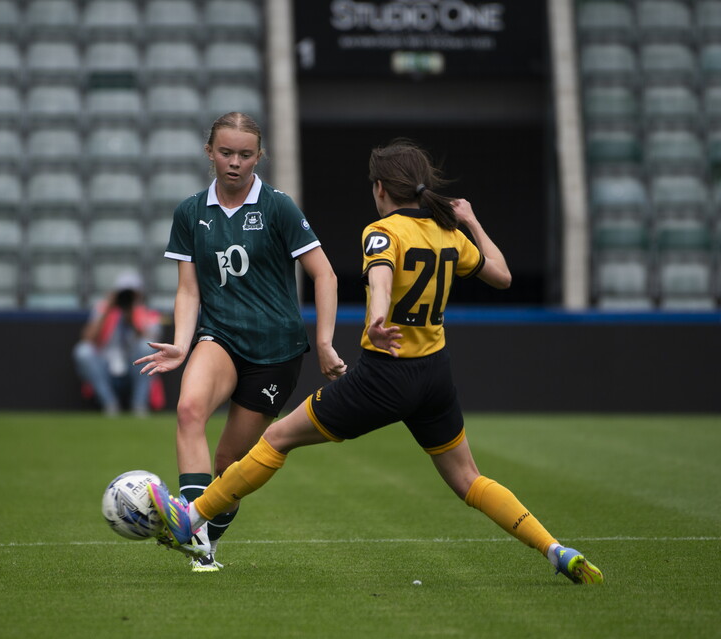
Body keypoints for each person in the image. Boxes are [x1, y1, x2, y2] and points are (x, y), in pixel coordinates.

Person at [147, 138, 604, 585]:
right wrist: (471, 221)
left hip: (385, 376)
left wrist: (380, 319)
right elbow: (502, 275)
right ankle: (555, 549)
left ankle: (192, 517)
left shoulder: (382, 232)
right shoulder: (449, 233)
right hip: (434, 378)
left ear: (380, 188)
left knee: (277, 438)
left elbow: (381, 278)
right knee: (469, 479)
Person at [134, 112, 346, 572]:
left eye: (245, 155)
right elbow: (188, 290)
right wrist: (181, 343)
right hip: (221, 335)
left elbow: (325, 275)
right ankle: (194, 534)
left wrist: (325, 342)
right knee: (189, 410)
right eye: (226, 152)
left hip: (277, 352)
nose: (234, 162)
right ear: (209, 152)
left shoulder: (278, 207)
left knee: (230, 464)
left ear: (259, 156)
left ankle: (204, 539)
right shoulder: (191, 212)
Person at [73, 271, 162, 417]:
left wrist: (132, 318)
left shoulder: (148, 313)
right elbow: (87, 338)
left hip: (134, 368)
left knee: (145, 347)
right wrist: (108, 309)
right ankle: (110, 405)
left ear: (139, 295)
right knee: (83, 351)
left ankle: (139, 405)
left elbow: (153, 343)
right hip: (106, 368)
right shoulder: (103, 309)